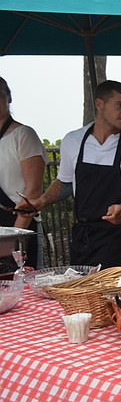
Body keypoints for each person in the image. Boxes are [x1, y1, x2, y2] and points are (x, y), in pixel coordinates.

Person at [25, 80, 121, 268]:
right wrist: (40, 202)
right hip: (83, 240)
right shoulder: (72, 141)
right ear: (99, 104)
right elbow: (65, 182)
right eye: (119, 105)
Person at [0, 76, 45, 273]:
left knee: (22, 284)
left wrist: (14, 238)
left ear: (8, 97)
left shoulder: (23, 135)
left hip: (19, 225)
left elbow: (33, 190)